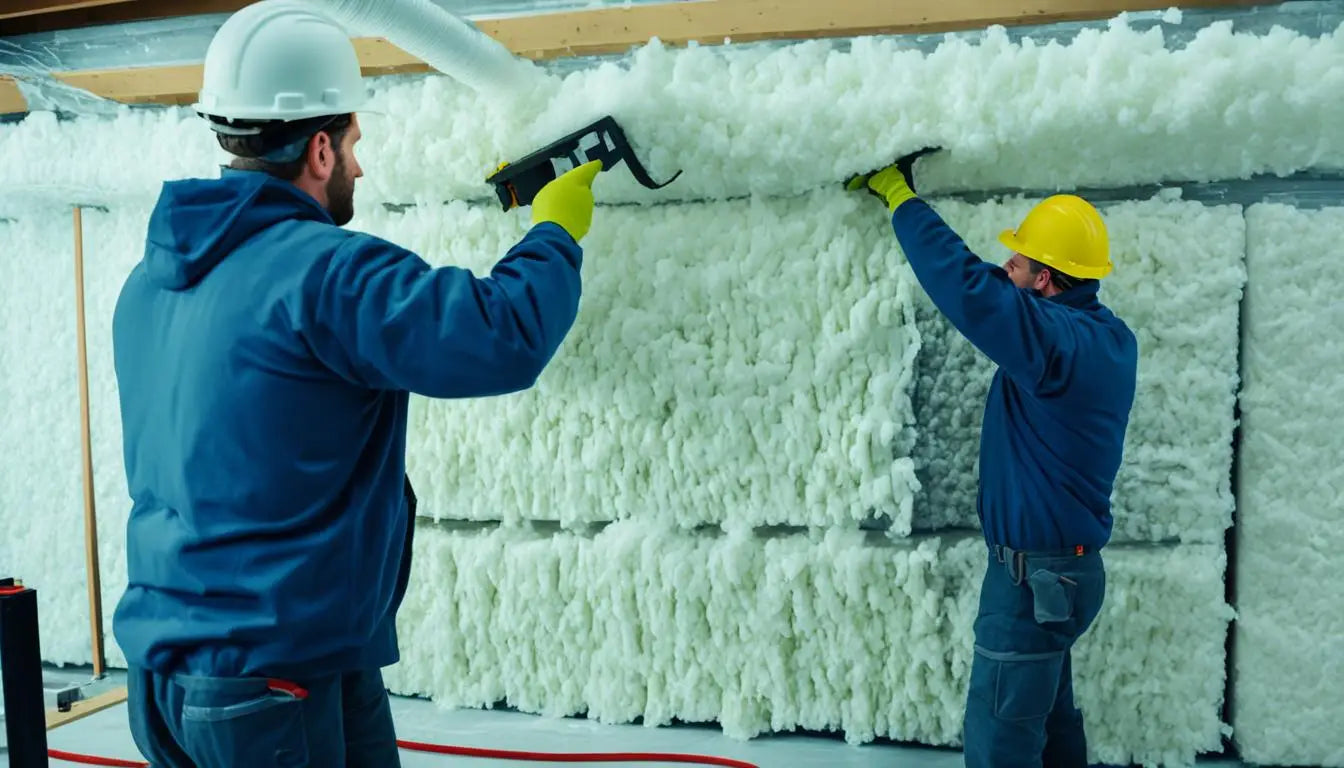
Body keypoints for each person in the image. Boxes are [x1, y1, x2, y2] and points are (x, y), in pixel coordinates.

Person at [109, 2, 601, 766]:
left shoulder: (150, 283)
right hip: (271, 678)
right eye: (353, 141)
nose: (360, 165)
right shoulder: (325, 272)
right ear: (320, 150)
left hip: (176, 673)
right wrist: (554, 233)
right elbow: (499, 335)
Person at [850, 153, 1138, 767]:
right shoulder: (1109, 339)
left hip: (1032, 584)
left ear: (1043, 281)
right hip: (1067, 580)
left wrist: (900, 197)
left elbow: (967, 286)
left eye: (1016, 259)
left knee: (1000, 744)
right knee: (1053, 730)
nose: (1003, 263)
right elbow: (993, 290)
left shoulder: (1054, 342)